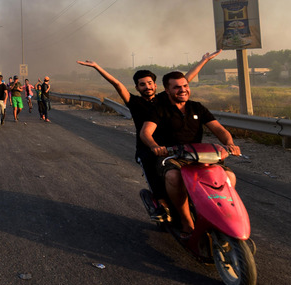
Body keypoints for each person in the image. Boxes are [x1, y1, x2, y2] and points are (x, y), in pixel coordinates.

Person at [77, 51, 220, 207]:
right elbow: (117, 84)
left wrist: (203, 61)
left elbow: (186, 79)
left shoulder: (162, 98)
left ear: (156, 85)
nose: (147, 87)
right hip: (147, 149)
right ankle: (161, 205)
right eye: (142, 84)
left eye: (150, 83)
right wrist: (97, 67)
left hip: (169, 147)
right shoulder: (134, 102)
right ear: (137, 87)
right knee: (153, 174)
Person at [139, 70, 239, 235]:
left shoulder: (197, 107)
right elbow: (146, 133)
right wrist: (155, 146)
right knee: (173, 177)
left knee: (229, 177)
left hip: (199, 155)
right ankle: (186, 220)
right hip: (172, 156)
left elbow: (219, 129)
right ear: (167, 90)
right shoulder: (159, 109)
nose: (183, 90)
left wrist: (230, 143)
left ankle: (220, 215)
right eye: (177, 87)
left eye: (185, 86)